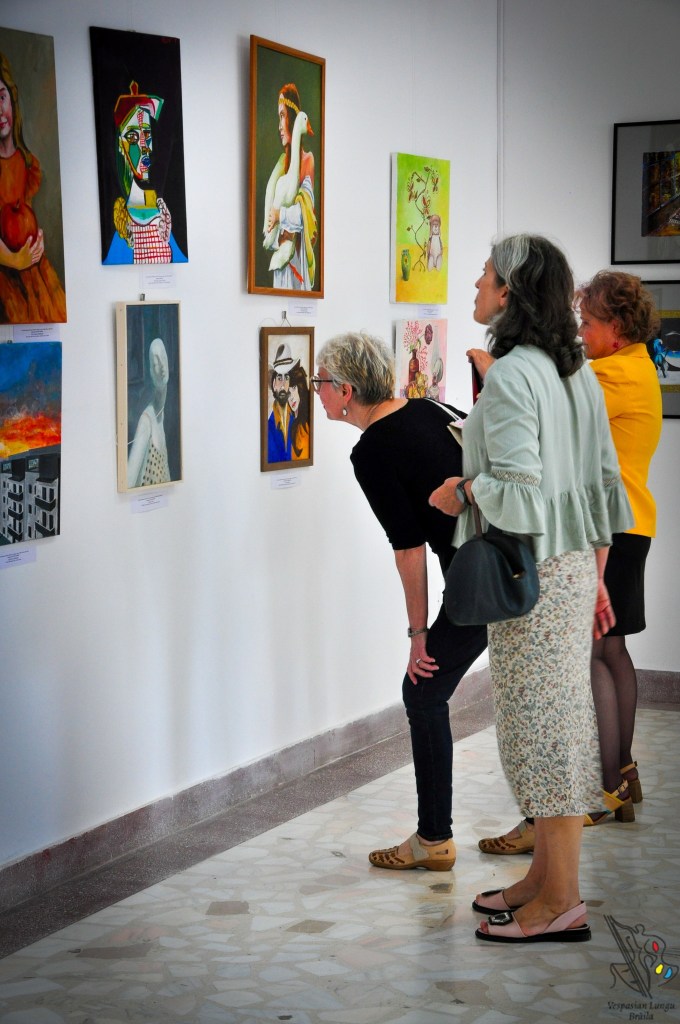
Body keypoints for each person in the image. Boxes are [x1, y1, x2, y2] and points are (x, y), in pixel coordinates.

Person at [430, 235, 632, 942]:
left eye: (484, 274)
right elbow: (604, 484)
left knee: (543, 734)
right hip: (570, 568)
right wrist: (598, 578)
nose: (475, 284)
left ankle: (562, 903)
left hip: (532, 575)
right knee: (557, 724)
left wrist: (462, 491)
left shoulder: (516, 376)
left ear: (510, 291)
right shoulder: (574, 370)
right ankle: (543, 880)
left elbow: (518, 493)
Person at [477, 271, 662, 853]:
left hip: (611, 528)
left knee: (593, 655)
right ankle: (620, 777)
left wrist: (495, 372)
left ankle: (603, 789)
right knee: (611, 650)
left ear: (618, 328)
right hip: (630, 523)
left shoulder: (613, 375)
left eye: (588, 323)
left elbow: (550, 407)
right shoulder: (635, 367)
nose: (580, 333)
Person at [313, 331, 487, 872]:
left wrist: (419, 636)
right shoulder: (428, 407)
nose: (316, 392)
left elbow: (408, 549)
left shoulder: (372, 451)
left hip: (484, 575)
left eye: (320, 382)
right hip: (514, 559)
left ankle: (434, 838)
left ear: (346, 391)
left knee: (423, 690)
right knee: (514, 690)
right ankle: (536, 823)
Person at [0, 52, 67, 324]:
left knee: (54, 310)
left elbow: (25, 216)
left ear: (12, 97)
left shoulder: (27, 163)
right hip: (7, 272)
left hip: (34, 268)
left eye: (1, 97)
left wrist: (36, 241)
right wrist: (14, 259)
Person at [105, 81, 187, 265]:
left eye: (147, 135)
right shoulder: (122, 220)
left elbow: (178, 259)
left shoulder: (162, 210)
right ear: (121, 145)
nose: (144, 147)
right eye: (133, 137)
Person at [262, 83, 317, 290]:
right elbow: (270, 225)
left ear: (293, 119)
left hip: (297, 266)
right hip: (281, 264)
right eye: (279, 117)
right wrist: (274, 227)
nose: (279, 125)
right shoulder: (281, 164)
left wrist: (280, 215)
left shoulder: (307, 161)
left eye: (283, 116)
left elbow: (305, 214)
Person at [127, 337, 171, 487]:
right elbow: (128, 482)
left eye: (162, 357)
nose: (161, 366)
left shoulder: (161, 415)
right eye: (155, 363)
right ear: (151, 372)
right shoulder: (146, 422)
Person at [267, 342, 298, 463]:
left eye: (287, 378)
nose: (283, 385)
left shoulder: (296, 420)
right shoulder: (268, 425)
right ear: (273, 384)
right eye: (279, 378)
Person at [288, 364, 310, 460]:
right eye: (288, 393)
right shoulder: (293, 425)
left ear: (300, 388)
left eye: (293, 388)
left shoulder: (307, 423)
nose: (291, 397)